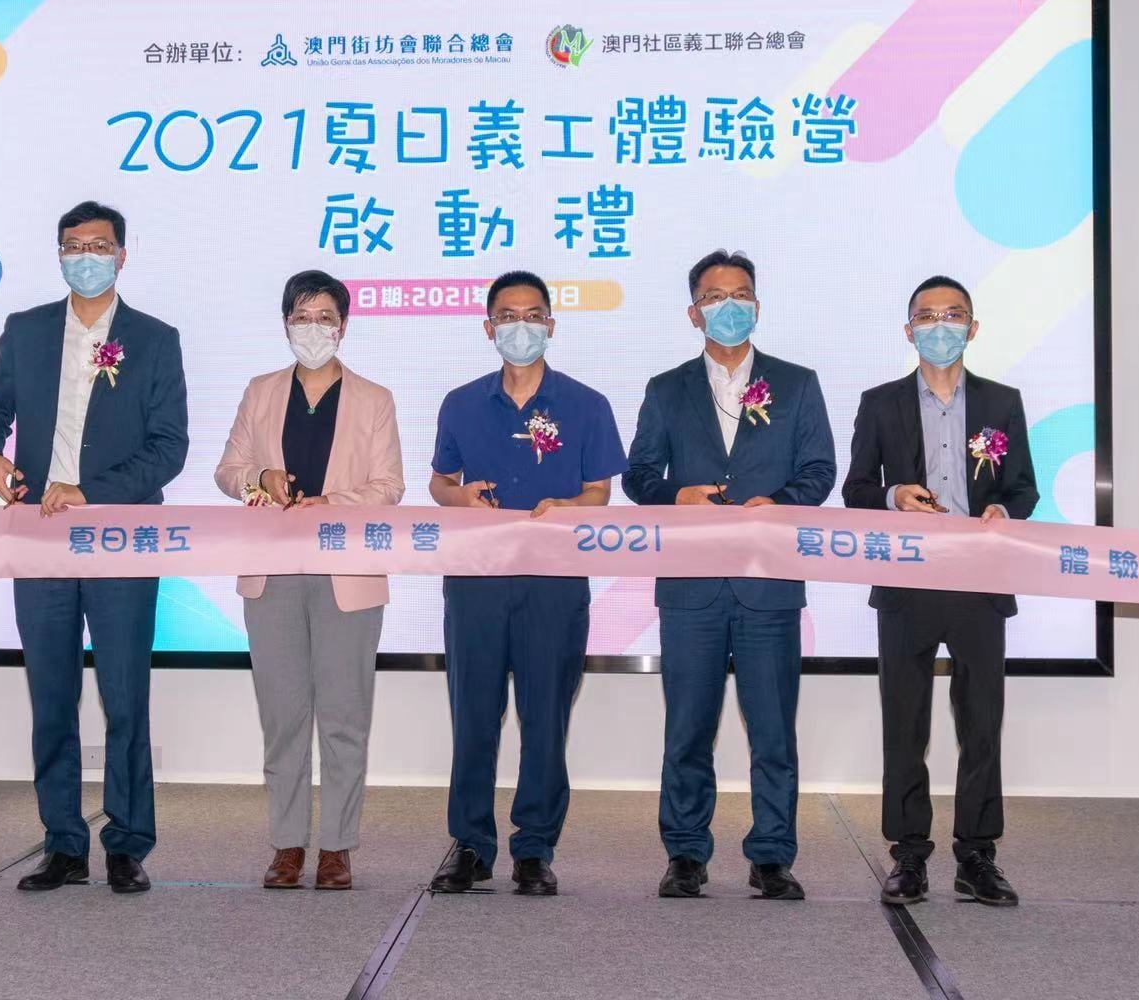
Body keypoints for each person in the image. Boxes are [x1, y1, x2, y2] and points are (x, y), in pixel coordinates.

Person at [0, 200, 188, 895]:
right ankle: (63, 841)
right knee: (52, 697)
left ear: (122, 255)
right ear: (58, 254)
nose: (84, 256)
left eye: (97, 245)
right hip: (39, 540)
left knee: (125, 698)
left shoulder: (155, 340)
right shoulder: (27, 330)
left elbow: (169, 449)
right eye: (72, 245)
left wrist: (89, 491)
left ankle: (127, 843)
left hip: (120, 540)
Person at [623, 249, 835, 900]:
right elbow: (638, 476)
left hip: (769, 583)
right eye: (715, 298)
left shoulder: (797, 383)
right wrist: (676, 495)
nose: (729, 307)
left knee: (773, 731)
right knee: (688, 728)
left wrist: (782, 504)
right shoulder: (666, 389)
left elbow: (820, 470)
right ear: (694, 313)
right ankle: (686, 852)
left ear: (758, 306)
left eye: (740, 295)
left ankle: (772, 856)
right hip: (690, 588)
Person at [427, 270, 627, 896]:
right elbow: (440, 482)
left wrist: (568, 507)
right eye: (508, 316)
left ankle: (535, 847)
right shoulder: (461, 403)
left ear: (551, 326)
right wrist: (458, 497)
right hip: (476, 580)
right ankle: (470, 844)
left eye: (533, 315)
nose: (521, 326)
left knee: (545, 717)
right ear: (489, 328)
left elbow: (599, 492)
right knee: (474, 716)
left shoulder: (586, 405)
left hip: (553, 582)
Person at [842, 275, 1038, 908]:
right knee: (905, 723)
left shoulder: (1002, 402)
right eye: (927, 317)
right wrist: (894, 494)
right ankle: (908, 854)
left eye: (953, 315)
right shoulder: (880, 403)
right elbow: (855, 489)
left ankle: (977, 856)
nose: (940, 326)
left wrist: (1005, 512)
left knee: (981, 722)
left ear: (973, 328)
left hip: (980, 581)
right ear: (909, 331)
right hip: (908, 583)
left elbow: (1023, 487)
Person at [214, 269, 404, 891]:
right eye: (302, 317)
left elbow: (389, 487)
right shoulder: (260, 391)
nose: (313, 328)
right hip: (272, 572)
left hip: (347, 570)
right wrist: (258, 479)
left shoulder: (374, 399)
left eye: (325, 317)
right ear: (285, 324)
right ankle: (288, 844)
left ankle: (338, 847)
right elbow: (228, 470)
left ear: (343, 326)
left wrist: (331, 504)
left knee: (345, 716)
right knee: (283, 716)